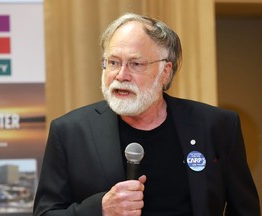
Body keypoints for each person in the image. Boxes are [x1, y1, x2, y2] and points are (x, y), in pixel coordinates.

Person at [33, 13, 260, 216]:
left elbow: (244, 209)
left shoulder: (216, 126)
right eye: (113, 62)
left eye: (135, 64)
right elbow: (45, 212)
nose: (121, 75)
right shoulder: (70, 132)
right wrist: (99, 209)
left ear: (165, 72)